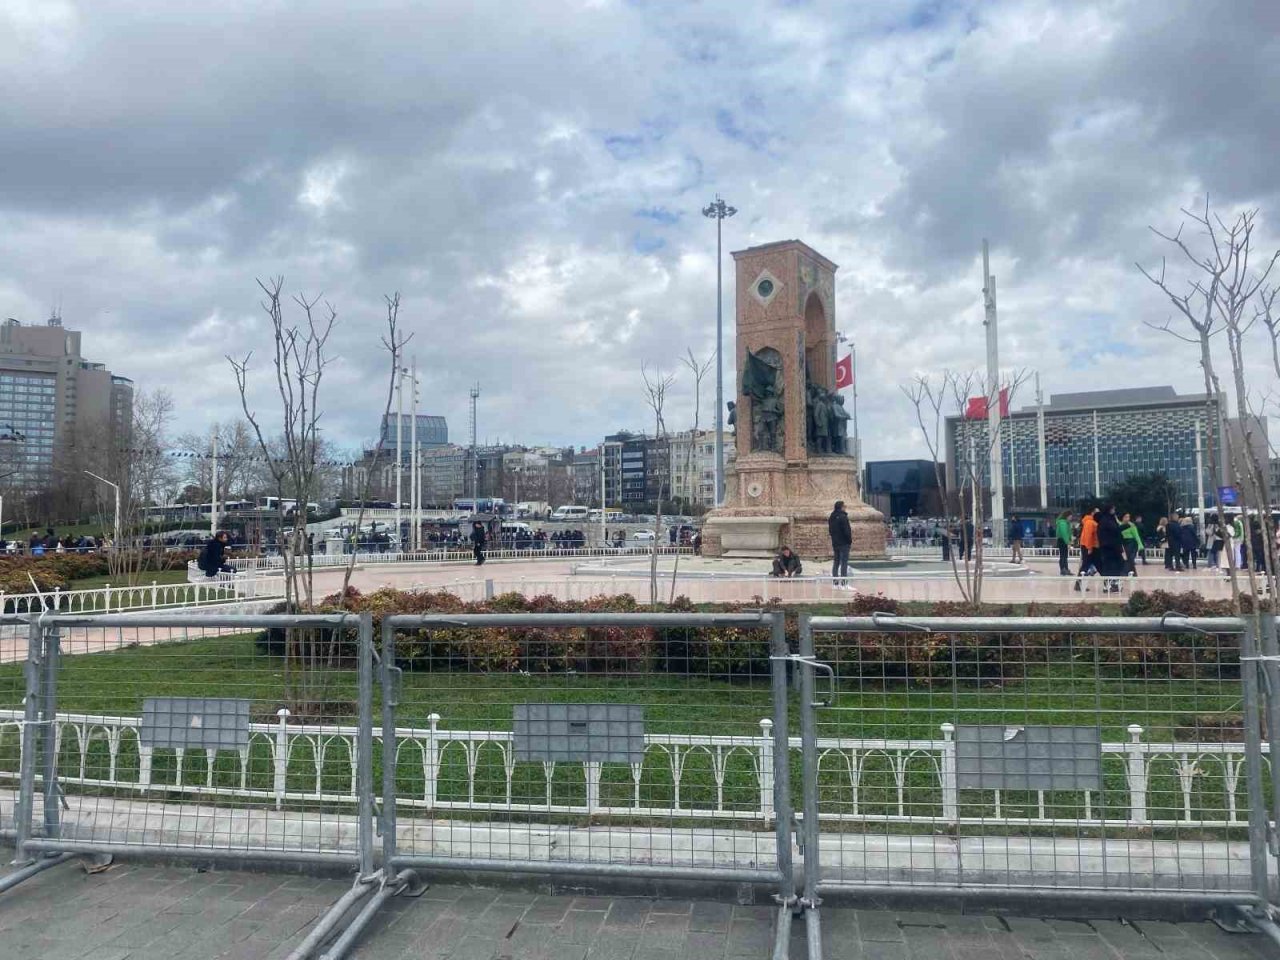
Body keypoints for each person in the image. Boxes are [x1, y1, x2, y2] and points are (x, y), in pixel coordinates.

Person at [1096, 504, 1124, 592]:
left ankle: (1114, 584)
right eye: (1113, 509)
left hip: (1113, 547)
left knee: (1116, 565)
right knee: (1110, 567)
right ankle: (1109, 585)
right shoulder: (1106, 520)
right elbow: (1114, 530)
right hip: (1109, 548)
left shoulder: (1111, 519)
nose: (1114, 511)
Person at [1074, 507, 1099, 591]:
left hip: (1088, 546)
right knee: (1085, 565)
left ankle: (1079, 583)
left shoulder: (1089, 522)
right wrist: (1089, 547)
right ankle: (1078, 584)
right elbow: (1088, 536)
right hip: (1088, 546)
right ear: (1092, 513)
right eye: (1097, 512)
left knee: (1086, 565)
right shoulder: (1089, 522)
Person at [828, 500, 852, 587]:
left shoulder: (831, 517)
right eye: (844, 506)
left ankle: (835, 583)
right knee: (844, 563)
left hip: (835, 543)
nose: (845, 508)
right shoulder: (843, 517)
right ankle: (844, 584)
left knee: (836, 562)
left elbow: (830, 531)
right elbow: (847, 531)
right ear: (841, 507)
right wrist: (849, 540)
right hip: (844, 543)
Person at [1120, 512, 1144, 576]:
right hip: (1124, 542)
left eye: (1128, 517)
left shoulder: (1131, 525)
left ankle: (1124, 572)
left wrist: (1140, 544)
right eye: (1126, 517)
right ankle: (1134, 573)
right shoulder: (1119, 525)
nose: (1127, 518)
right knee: (1129, 559)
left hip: (1132, 543)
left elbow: (1136, 535)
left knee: (1130, 558)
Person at [1054, 511, 1073, 575]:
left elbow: (1069, 532)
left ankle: (1066, 569)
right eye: (1070, 517)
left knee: (1065, 556)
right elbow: (1064, 533)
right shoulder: (1062, 523)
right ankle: (1063, 569)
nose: (1071, 518)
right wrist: (1068, 542)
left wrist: (1070, 539)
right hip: (1062, 540)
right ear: (1067, 516)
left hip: (1065, 540)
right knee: (1063, 556)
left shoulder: (1067, 523)